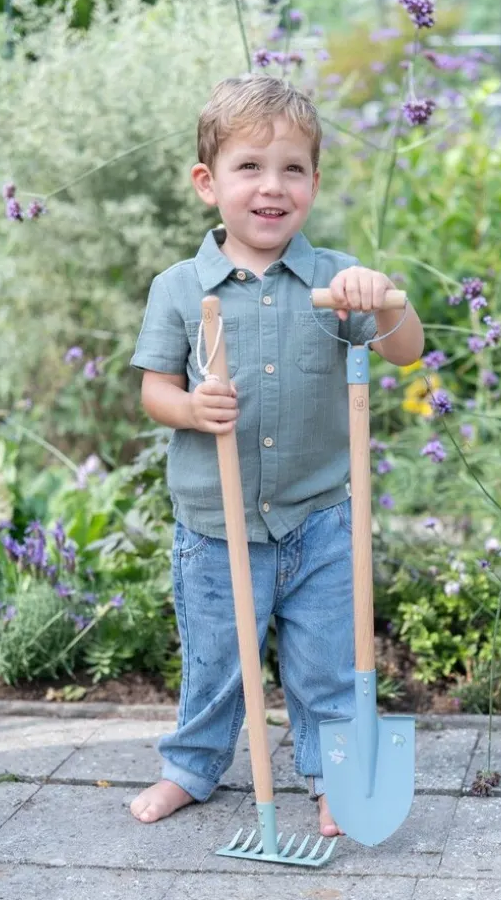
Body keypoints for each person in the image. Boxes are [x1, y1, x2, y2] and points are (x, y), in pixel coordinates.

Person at [128, 73, 424, 837]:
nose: (272, 186)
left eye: (293, 168)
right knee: (217, 661)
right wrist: (191, 408)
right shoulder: (180, 288)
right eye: (250, 167)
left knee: (329, 663)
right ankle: (191, 766)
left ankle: (333, 777)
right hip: (215, 525)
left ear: (314, 184)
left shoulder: (336, 280)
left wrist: (386, 296)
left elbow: (405, 351)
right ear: (208, 183)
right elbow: (155, 390)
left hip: (319, 520)